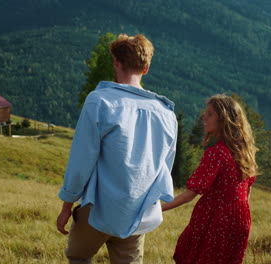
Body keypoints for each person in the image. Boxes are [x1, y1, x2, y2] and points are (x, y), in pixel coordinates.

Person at [56, 33, 177, 264]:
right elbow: (164, 167)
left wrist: (66, 207)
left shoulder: (100, 101)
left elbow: (81, 163)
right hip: (138, 210)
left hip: (98, 207)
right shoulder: (167, 114)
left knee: (78, 256)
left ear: (116, 62)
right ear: (146, 68)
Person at [162, 94, 258, 264]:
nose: (204, 117)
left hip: (214, 221)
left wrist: (157, 209)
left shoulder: (217, 153)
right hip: (241, 222)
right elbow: (246, 196)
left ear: (224, 120)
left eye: (210, 113)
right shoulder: (245, 154)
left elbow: (190, 195)